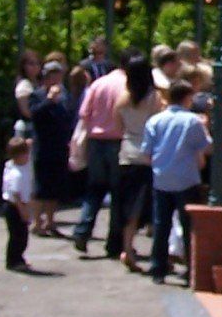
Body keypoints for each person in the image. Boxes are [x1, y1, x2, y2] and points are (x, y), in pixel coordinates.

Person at [144, 79, 211, 285]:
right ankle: (191, 268)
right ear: (187, 98)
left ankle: (158, 268)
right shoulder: (192, 121)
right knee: (188, 225)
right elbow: (206, 147)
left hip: (162, 177)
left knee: (161, 224)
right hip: (186, 178)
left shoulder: (155, 121)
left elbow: (147, 152)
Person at [71, 57, 128, 256]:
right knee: (118, 192)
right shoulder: (127, 85)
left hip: (96, 141)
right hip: (118, 141)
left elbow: (84, 113)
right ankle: (114, 242)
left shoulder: (98, 84)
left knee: (95, 188)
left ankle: (82, 230)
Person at [114, 56, 162, 273]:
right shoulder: (154, 98)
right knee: (147, 205)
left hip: (127, 153)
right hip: (148, 155)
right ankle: (157, 251)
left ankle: (127, 247)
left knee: (128, 205)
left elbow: (118, 127)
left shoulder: (123, 98)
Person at [28, 58, 77, 235]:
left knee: (55, 187)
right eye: (52, 76)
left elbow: (69, 117)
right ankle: (36, 222)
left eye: (58, 76)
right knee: (40, 186)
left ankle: (50, 221)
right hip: (43, 147)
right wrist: (49, 100)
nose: (55, 80)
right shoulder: (37, 95)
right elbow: (34, 114)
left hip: (59, 146)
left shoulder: (65, 97)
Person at [1, 135, 34, 272]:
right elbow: (16, 195)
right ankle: (13, 261)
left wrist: (27, 144)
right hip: (15, 207)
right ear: (17, 156)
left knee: (21, 235)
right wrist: (24, 211)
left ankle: (18, 258)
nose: (27, 156)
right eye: (24, 154)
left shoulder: (13, 165)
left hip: (17, 205)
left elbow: (28, 145)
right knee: (17, 236)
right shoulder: (16, 174)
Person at [14, 50, 42, 124]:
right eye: (31, 64)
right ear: (23, 66)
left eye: (37, 63)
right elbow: (26, 111)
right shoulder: (23, 85)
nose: (35, 67)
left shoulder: (41, 83)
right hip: (27, 125)